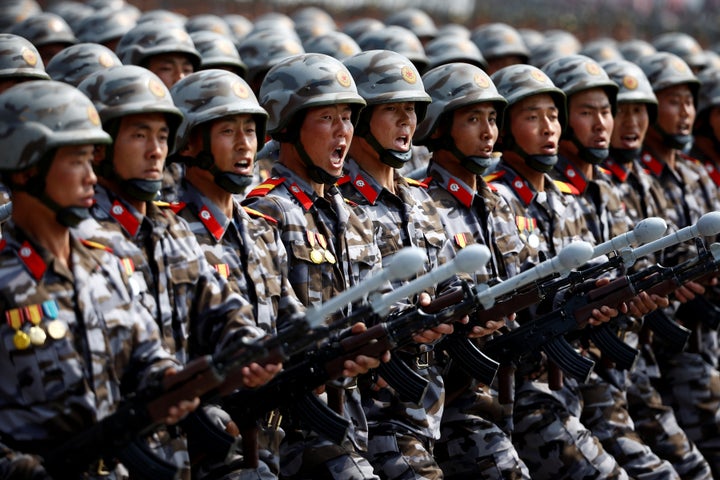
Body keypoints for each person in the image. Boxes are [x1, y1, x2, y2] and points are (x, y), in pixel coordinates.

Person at [75, 65, 276, 476]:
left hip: (178, 449)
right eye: (138, 135)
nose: (155, 151)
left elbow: (218, 304)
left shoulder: (167, 226)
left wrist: (250, 346)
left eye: (163, 136)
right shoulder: (81, 236)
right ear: (100, 146)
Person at [0, 80, 196, 479]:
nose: (92, 177)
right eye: (76, 161)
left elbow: (146, 355)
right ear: (26, 170)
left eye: (92, 161)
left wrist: (172, 383)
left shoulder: (103, 263)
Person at [243, 52, 385, 480]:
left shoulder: (350, 213)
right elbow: (265, 327)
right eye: (327, 118)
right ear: (288, 125)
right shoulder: (268, 210)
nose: (343, 131)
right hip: (295, 433)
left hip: (353, 421)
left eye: (348, 117)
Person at [542, 53, 682, 480]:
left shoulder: (608, 190)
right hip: (559, 384)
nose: (606, 123)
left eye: (608, 111)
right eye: (588, 112)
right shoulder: (551, 199)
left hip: (622, 371)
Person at [488, 63, 627, 479]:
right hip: (519, 393)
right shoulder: (495, 201)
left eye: (553, 116)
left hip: (572, 385)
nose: (549, 128)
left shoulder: (566, 201)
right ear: (507, 129)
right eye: (533, 118)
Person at [338, 49, 469, 480]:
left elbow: (454, 281)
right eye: (391, 109)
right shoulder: (339, 204)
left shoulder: (421, 200)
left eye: (411, 110)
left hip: (427, 411)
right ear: (360, 120)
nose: (406, 122)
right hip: (371, 418)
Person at [169, 68, 306, 479]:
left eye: (251, 129)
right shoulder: (169, 235)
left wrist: (337, 345)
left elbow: (290, 322)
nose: (247, 143)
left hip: (266, 439)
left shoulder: (262, 232)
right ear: (190, 142)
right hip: (200, 443)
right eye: (228, 131)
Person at [413, 61, 530, 479]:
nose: (488, 132)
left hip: (509, 386)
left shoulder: (501, 201)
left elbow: (530, 280)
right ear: (440, 127)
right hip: (455, 398)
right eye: (473, 119)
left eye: (493, 119)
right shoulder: (422, 206)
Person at [602, 57, 715, 480]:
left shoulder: (680, 178)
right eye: (622, 110)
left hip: (666, 351)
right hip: (623, 366)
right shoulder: (612, 189)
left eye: (689, 101)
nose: (683, 112)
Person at [637, 51, 720, 479]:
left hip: (705, 341)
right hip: (659, 351)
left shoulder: (696, 175)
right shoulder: (635, 183)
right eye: (673, 101)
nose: (685, 112)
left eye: (689, 101)